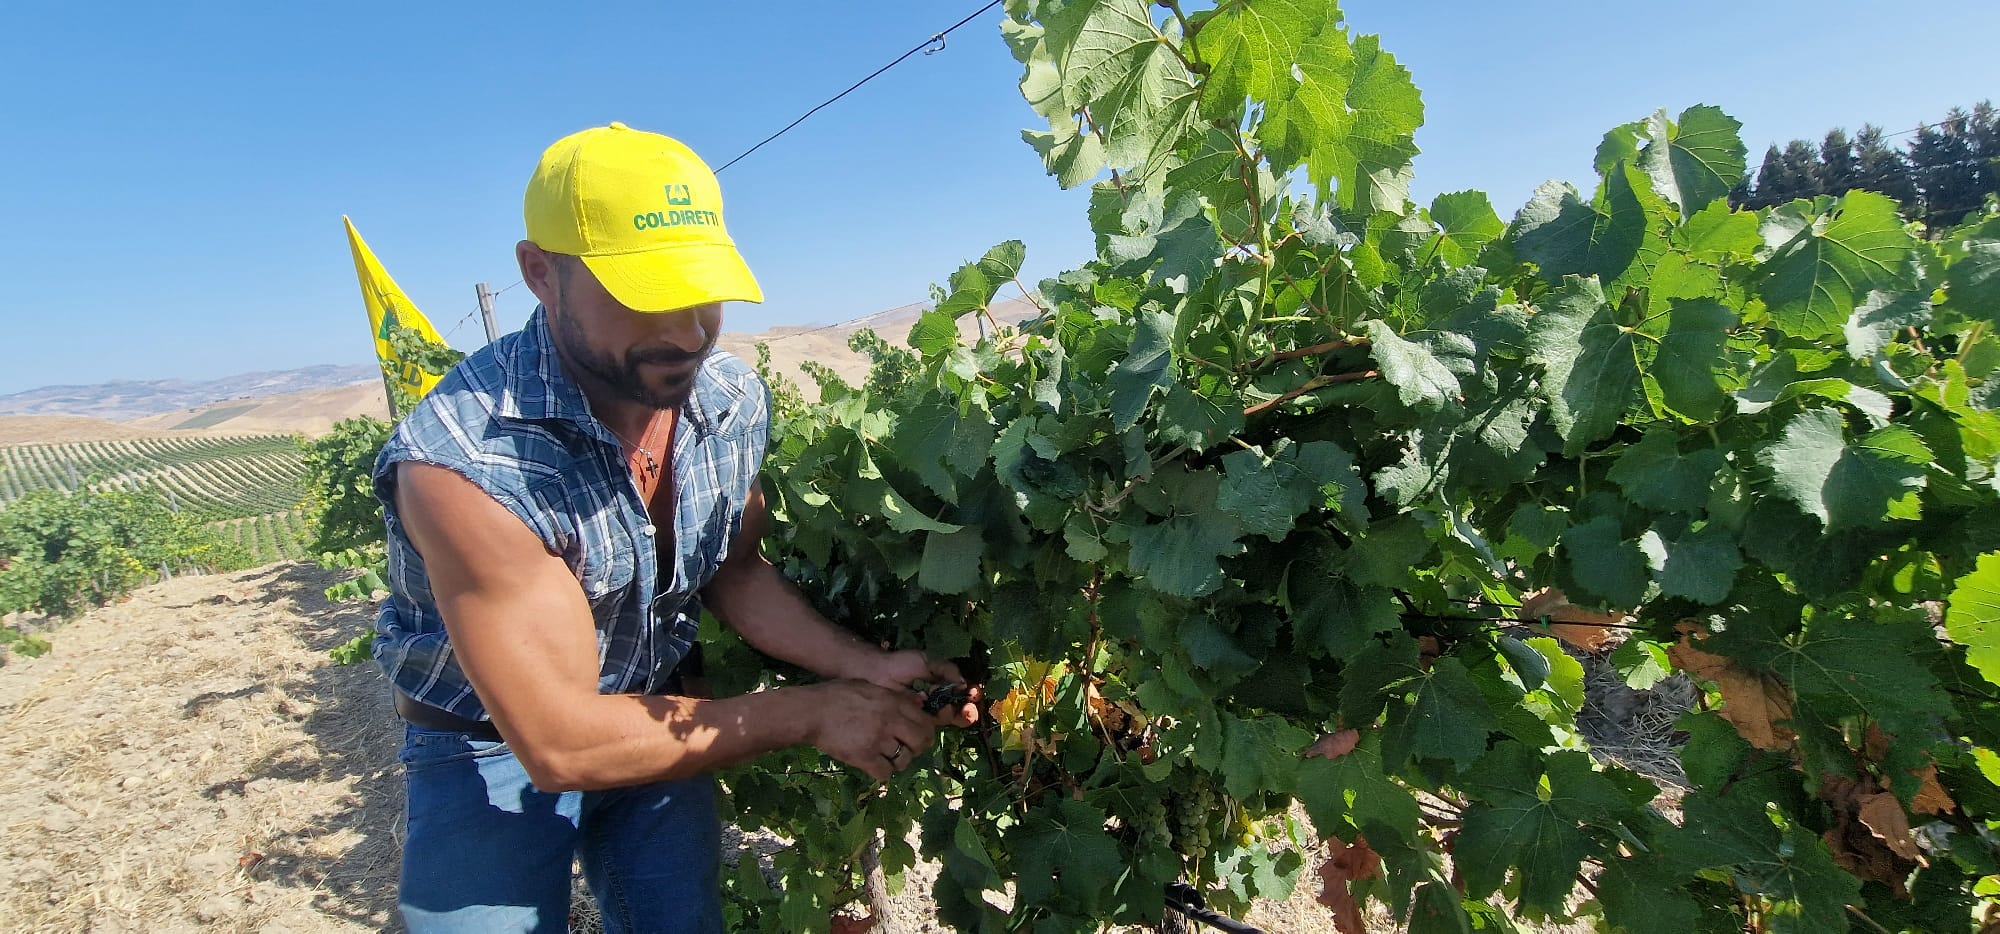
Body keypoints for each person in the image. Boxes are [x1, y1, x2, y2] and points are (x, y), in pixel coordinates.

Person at [368, 121, 979, 934]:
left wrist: (865, 667)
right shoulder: (466, 466)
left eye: (702, 290)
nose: (689, 332)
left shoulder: (728, 401)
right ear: (541, 274)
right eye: (645, 294)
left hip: (664, 708)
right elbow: (561, 744)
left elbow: (735, 570)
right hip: (490, 746)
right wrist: (811, 711)